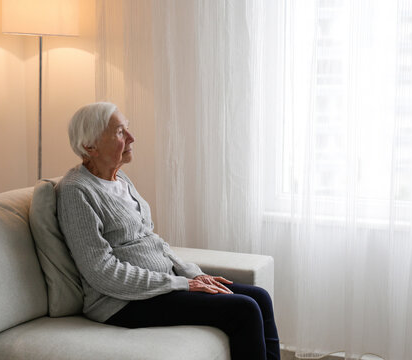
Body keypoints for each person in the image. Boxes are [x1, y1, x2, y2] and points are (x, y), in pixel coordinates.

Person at [56, 102, 280, 360]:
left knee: (260, 297)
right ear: (90, 146)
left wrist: (192, 273)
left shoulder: (120, 179)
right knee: (244, 309)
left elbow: (151, 239)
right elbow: (102, 272)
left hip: (161, 286)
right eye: (119, 132)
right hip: (121, 302)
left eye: (127, 129)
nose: (131, 138)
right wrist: (181, 283)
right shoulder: (76, 191)